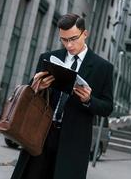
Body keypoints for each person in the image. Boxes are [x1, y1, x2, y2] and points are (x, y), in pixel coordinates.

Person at [11, 13, 114, 179]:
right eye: (64, 40)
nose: (69, 45)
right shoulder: (49, 58)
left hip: (74, 141)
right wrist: (37, 86)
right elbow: (30, 94)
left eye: (73, 38)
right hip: (40, 134)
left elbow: (108, 107)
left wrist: (88, 100)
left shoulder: (103, 68)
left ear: (85, 34)